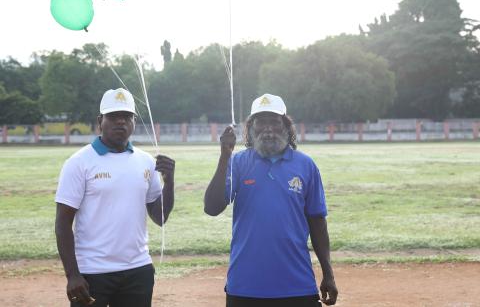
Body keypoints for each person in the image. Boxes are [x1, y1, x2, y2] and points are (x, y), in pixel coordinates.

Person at [204, 93, 338, 307]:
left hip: (297, 286)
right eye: (260, 122)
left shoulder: (306, 165)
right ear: (250, 129)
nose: (267, 129)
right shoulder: (238, 162)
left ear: (286, 126)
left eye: (274, 122)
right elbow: (211, 207)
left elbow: (317, 223)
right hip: (245, 286)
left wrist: (328, 274)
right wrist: (224, 157)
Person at [55, 88, 175, 307]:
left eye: (127, 116)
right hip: (92, 272)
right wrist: (72, 275)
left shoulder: (146, 161)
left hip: (138, 269)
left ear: (134, 121)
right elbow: (63, 223)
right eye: (113, 116)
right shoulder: (79, 162)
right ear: (100, 121)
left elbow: (160, 217)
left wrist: (170, 181)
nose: (120, 122)